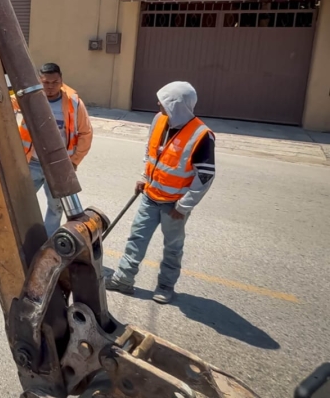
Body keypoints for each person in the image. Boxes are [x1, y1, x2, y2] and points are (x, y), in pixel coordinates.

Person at [105, 81, 215, 305]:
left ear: (177, 104)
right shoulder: (159, 119)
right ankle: (123, 279)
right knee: (136, 238)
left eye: (164, 101)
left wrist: (184, 206)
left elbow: (205, 176)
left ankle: (165, 287)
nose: (158, 104)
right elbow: (151, 151)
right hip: (150, 196)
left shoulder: (201, 135)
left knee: (172, 248)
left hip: (174, 205)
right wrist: (144, 178)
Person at [12, 63, 93, 236]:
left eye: (54, 82)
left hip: (59, 166)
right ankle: (19, 239)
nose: (50, 87)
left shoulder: (73, 103)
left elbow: (86, 133)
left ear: (61, 80)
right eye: (46, 83)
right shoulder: (29, 98)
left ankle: (47, 245)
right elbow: (4, 104)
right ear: (39, 81)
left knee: (56, 207)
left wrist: (75, 160)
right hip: (31, 163)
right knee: (18, 204)